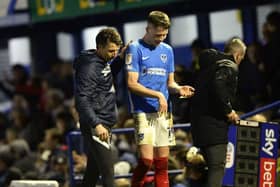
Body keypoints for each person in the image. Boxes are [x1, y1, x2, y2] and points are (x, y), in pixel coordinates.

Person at [125, 10, 195, 187]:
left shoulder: (168, 50)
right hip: (143, 112)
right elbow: (132, 84)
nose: (161, 38)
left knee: (162, 164)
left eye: (164, 34)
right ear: (147, 28)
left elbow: (170, 83)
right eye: (158, 34)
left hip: (163, 112)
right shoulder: (135, 49)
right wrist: (157, 95)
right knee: (146, 161)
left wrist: (179, 88)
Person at [73, 27, 128, 187]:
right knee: (108, 172)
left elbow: (105, 76)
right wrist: (96, 124)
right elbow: (81, 99)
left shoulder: (102, 61)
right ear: (99, 47)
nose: (114, 54)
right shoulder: (90, 67)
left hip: (103, 122)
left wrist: (120, 58)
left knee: (92, 172)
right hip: (97, 124)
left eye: (116, 51)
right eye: (111, 51)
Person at [190, 37, 246, 187]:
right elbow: (218, 85)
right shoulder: (229, 65)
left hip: (198, 125)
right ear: (238, 55)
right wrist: (228, 111)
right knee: (217, 168)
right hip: (214, 127)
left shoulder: (209, 65)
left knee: (207, 169)